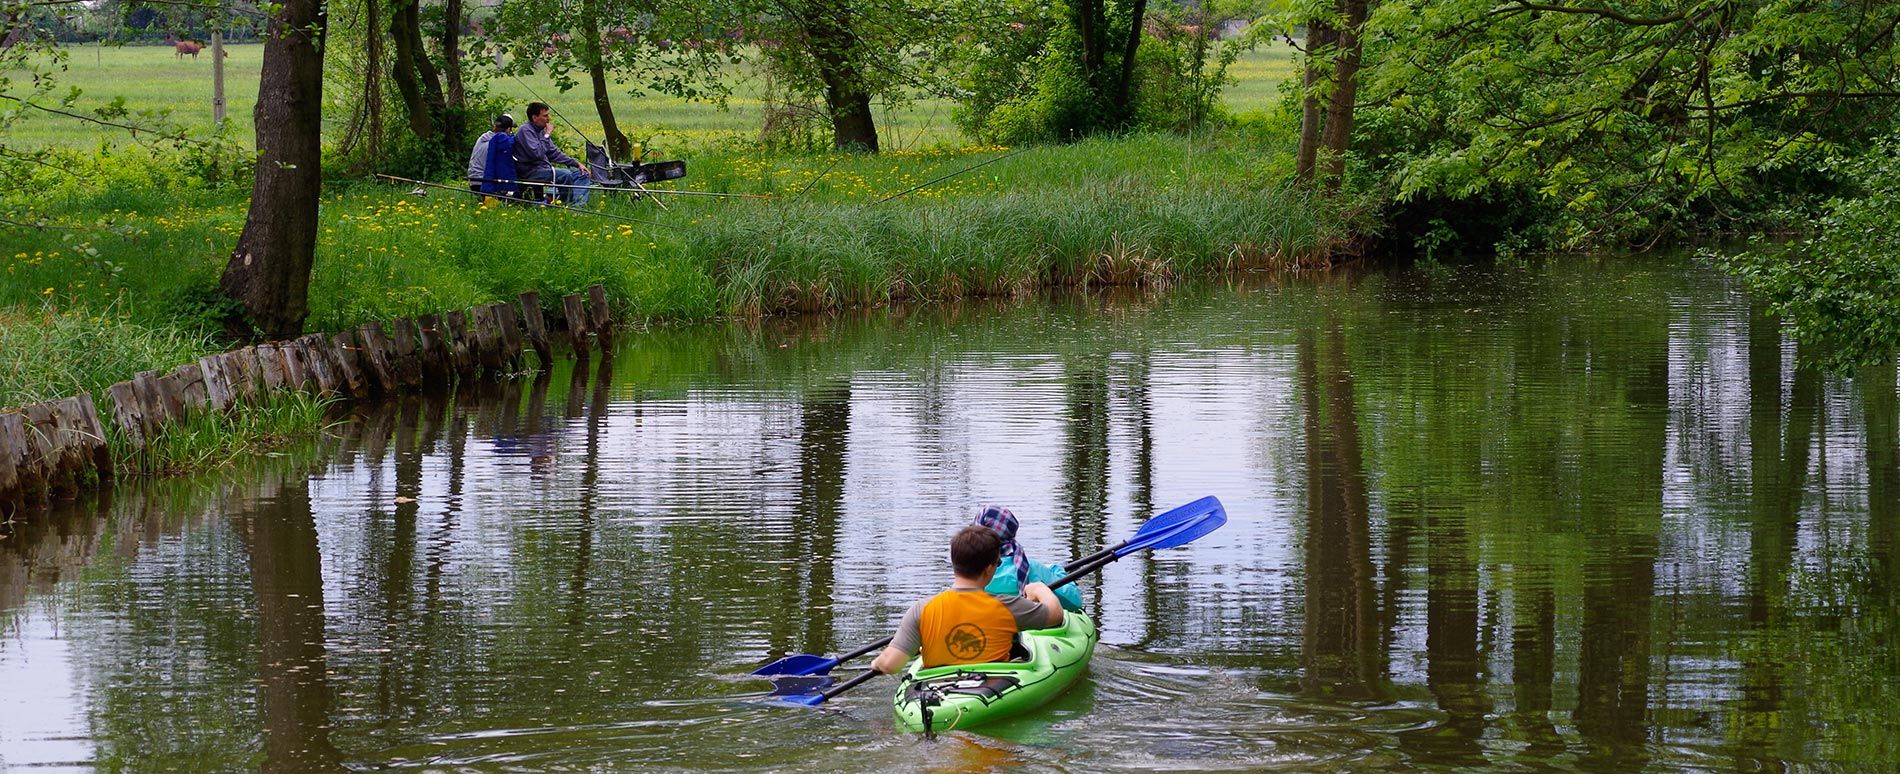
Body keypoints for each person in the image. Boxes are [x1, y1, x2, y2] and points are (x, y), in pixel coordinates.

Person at [870, 524, 1065, 674]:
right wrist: (1040, 589)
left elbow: (890, 665)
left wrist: (877, 663)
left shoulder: (921, 610)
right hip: (993, 687)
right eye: (997, 563)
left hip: (936, 691)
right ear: (989, 568)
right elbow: (1055, 615)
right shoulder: (1008, 607)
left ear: (955, 562)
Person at [973, 505, 1085, 612]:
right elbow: (1074, 602)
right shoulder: (1031, 568)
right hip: (1031, 623)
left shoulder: (969, 570)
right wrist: (1056, 570)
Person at [512, 101, 592, 207]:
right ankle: (563, 204)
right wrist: (547, 134)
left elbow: (554, 153)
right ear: (535, 118)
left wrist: (576, 164)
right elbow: (537, 154)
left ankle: (577, 205)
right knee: (565, 175)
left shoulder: (541, 130)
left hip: (544, 169)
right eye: (545, 116)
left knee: (582, 174)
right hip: (531, 171)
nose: (548, 118)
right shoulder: (526, 131)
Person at [467, 114, 518, 199]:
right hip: (484, 183)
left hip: (473, 181)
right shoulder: (498, 144)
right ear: (508, 129)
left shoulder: (482, 138)